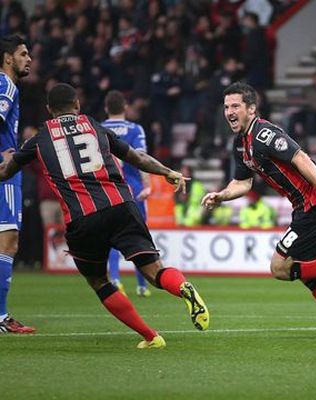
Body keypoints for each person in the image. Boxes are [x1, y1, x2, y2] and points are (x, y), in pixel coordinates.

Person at [0, 83, 209, 348]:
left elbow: (6, 172)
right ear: (77, 105)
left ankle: (151, 336)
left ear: (49, 110)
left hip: (82, 219)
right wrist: (168, 172)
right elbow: (136, 157)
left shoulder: (39, 139)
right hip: (121, 206)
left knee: (100, 281)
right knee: (155, 271)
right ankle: (183, 288)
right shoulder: (94, 126)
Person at [202, 82, 316, 342]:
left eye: (236, 106)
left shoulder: (264, 134)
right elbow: (243, 183)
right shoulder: (241, 144)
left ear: (251, 109)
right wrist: (222, 195)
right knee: (309, 272)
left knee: (280, 267)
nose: (229, 111)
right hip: (305, 206)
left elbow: (301, 158)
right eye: (227, 106)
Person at [102, 90, 152, 298]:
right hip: (133, 188)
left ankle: (115, 279)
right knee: (139, 237)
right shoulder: (135, 129)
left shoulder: (98, 128)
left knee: (112, 236)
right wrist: (147, 185)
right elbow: (142, 157)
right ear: (125, 108)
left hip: (108, 189)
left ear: (106, 108)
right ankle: (142, 286)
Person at [0, 35, 35, 334]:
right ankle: (0, 317)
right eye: (23, 54)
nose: (29, 59)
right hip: (5, 175)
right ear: (8, 58)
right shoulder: (5, 84)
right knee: (8, 242)